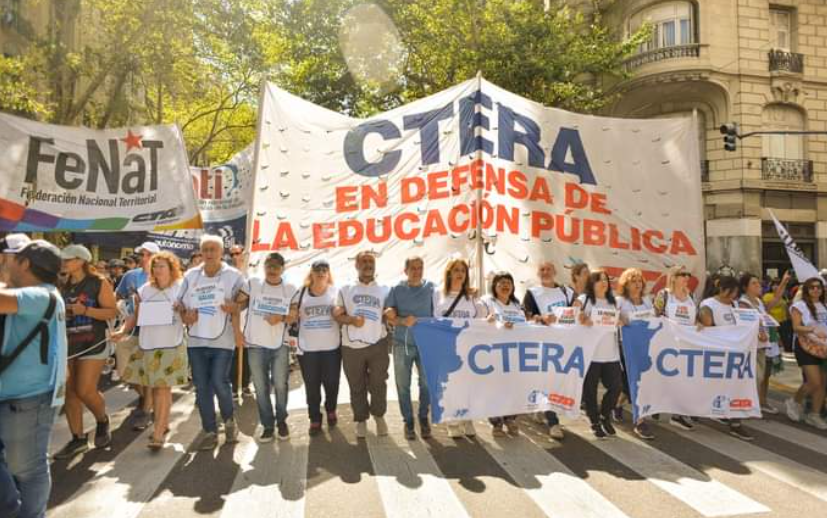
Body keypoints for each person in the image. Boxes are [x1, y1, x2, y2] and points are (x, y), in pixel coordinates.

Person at [0, 240, 67, 518]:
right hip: (17, 397)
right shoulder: (34, 293)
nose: (6, 264)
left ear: (25, 263)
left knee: (28, 470)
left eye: (9, 260)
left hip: (28, 399)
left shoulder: (42, 295)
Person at [112, 252, 189, 449]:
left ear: (172, 268)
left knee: (163, 389)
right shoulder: (145, 290)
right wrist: (121, 331)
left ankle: (158, 433)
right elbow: (135, 316)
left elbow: (191, 318)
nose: (157, 269)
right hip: (148, 345)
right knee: (155, 389)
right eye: (155, 266)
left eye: (162, 266)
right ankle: (163, 424)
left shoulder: (181, 288)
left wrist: (183, 309)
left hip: (171, 344)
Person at [176, 235, 245, 450]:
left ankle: (229, 419)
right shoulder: (191, 275)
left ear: (221, 251)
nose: (208, 253)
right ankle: (209, 431)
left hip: (222, 340)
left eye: (213, 249)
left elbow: (245, 299)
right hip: (196, 340)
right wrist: (185, 316)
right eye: (205, 249)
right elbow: (179, 303)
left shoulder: (233, 275)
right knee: (202, 387)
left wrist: (235, 307)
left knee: (219, 382)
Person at [54, 245, 118, 459]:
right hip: (67, 344)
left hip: (93, 343)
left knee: (84, 389)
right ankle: (78, 439)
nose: (63, 263)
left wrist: (86, 311)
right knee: (70, 393)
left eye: (67, 259)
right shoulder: (60, 284)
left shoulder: (98, 282)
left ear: (81, 261)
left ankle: (102, 420)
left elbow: (112, 311)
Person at [235, 252, 297, 442]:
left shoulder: (290, 288)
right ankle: (268, 425)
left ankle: (282, 421)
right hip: (255, 343)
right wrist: (237, 331)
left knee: (280, 384)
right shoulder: (253, 283)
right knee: (260, 388)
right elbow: (237, 304)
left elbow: (294, 315)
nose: (272, 269)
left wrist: (281, 317)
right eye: (269, 265)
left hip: (280, 344)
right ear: (264, 267)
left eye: (277, 266)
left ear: (282, 269)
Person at [334, 251, 391, 439]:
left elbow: (390, 312)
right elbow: (336, 315)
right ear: (356, 265)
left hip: (378, 344)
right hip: (351, 347)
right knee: (356, 385)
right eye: (364, 261)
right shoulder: (345, 289)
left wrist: (390, 313)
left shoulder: (384, 289)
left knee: (378, 383)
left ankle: (379, 415)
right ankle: (360, 419)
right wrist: (350, 319)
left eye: (371, 262)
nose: (368, 265)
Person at [433, 257, 486, 438]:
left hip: (468, 348)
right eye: (456, 270)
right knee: (449, 385)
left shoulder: (472, 297)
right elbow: (433, 321)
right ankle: (452, 421)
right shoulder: (437, 294)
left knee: (468, 385)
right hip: (446, 347)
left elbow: (482, 320)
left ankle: (467, 418)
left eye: (462, 271)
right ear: (449, 273)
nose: (459, 274)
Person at [698, 275, 754, 441]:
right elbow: (707, 326)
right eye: (729, 292)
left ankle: (735, 422)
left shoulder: (736, 305)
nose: (732, 296)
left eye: (735, 293)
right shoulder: (708, 304)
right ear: (720, 289)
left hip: (736, 353)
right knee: (718, 386)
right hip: (717, 353)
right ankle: (720, 412)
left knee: (735, 386)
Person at [385, 256, 435, 440]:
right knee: (402, 385)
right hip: (402, 343)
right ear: (405, 270)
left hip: (426, 344)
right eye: (413, 268)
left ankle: (423, 417)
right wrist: (400, 320)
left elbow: (447, 299)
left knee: (426, 384)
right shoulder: (397, 289)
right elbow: (388, 313)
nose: (417, 271)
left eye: (420, 267)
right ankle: (408, 421)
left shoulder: (431, 288)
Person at [290, 259, 341, 436]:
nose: (320, 273)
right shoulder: (301, 292)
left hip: (331, 348)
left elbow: (342, 311)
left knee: (332, 382)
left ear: (328, 273)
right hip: (308, 349)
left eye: (324, 270)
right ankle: (315, 418)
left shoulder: (336, 291)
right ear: (311, 273)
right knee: (312, 385)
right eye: (317, 269)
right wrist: (292, 314)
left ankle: (331, 409)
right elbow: (292, 314)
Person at [522, 261, 572, 440]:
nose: (545, 272)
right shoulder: (532, 293)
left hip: (564, 344)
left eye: (548, 269)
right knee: (547, 381)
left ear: (555, 271)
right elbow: (525, 315)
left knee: (556, 381)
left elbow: (575, 312)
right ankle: (553, 422)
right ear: (538, 273)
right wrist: (541, 318)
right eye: (542, 269)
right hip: (542, 344)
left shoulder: (566, 291)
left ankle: (540, 406)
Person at [116, 241, 160, 431]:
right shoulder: (130, 276)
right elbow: (118, 296)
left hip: (154, 334)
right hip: (133, 329)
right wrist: (122, 308)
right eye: (142, 254)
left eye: (148, 254)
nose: (143, 258)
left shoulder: (163, 277)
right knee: (125, 372)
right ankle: (144, 397)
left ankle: (147, 410)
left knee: (149, 374)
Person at [575, 270, 622, 439]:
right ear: (591, 283)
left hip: (611, 354)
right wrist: (580, 316)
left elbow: (621, 320)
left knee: (616, 387)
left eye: (606, 280)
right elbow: (572, 313)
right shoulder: (584, 299)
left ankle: (605, 415)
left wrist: (621, 321)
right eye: (599, 280)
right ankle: (594, 421)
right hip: (591, 354)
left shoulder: (613, 302)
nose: (603, 283)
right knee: (590, 391)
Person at [652, 265, 698, 431]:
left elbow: (695, 318)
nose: (686, 277)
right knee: (664, 377)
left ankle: (677, 414)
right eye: (682, 274)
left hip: (686, 344)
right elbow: (655, 316)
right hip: (667, 343)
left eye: (688, 274)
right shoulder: (664, 295)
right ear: (673, 277)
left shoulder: (691, 295)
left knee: (683, 379)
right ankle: (658, 404)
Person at [739, 271, 790, 415]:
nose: (758, 285)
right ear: (745, 287)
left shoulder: (759, 301)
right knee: (755, 375)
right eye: (754, 283)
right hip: (752, 345)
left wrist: (784, 282)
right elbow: (747, 323)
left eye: (758, 282)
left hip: (765, 342)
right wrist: (758, 331)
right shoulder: (743, 302)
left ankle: (762, 401)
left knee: (765, 374)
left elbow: (775, 300)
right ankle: (748, 404)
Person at [484, 271, 526, 437]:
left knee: (512, 388)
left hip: (515, 354)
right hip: (494, 352)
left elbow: (526, 326)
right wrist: (492, 322)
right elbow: (481, 323)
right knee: (494, 388)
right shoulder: (487, 302)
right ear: (494, 286)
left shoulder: (517, 305)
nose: (505, 285)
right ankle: (496, 423)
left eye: (508, 282)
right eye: (501, 282)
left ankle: (510, 419)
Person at [616, 268, 656, 440]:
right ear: (626, 284)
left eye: (640, 281)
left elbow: (655, 321)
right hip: (627, 347)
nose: (638, 284)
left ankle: (617, 404)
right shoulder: (619, 302)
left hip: (647, 347)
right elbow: (613, 320)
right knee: (635, 381)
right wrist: (619, 320)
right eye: (634, 281)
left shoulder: (648, 300)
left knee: (639, 382)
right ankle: (640, 421)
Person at [786, 276, 827, 430]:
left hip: (824, 347)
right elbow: (796, 327)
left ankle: (814, 415)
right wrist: (813, 329)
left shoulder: (824, 305)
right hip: (806, 346)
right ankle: (795, 402)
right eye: (812, 287)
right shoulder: (799, 306)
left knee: (823, 383)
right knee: (814, 381)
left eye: (819, 287)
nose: (816, 290)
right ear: (806, 290)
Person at [228, 244, 252, 398]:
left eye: (238, 253)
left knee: (247, 354)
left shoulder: (253, 274)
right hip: (234, 319)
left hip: (249, 319)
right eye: (232, 255)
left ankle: (245, 384)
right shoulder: (229, 275)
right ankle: (234, 385)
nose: (236, 257)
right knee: (234, 353)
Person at [764, 276, 792, 353]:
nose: (775, 286)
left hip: (784, 321)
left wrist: (788, 318)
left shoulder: (784, 297)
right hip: (774, 322)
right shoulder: (767, 296)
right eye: (774, 285)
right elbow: (767, 309)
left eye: (777, 284)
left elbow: (786, 308)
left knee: (785, 340)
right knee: (776, 340)